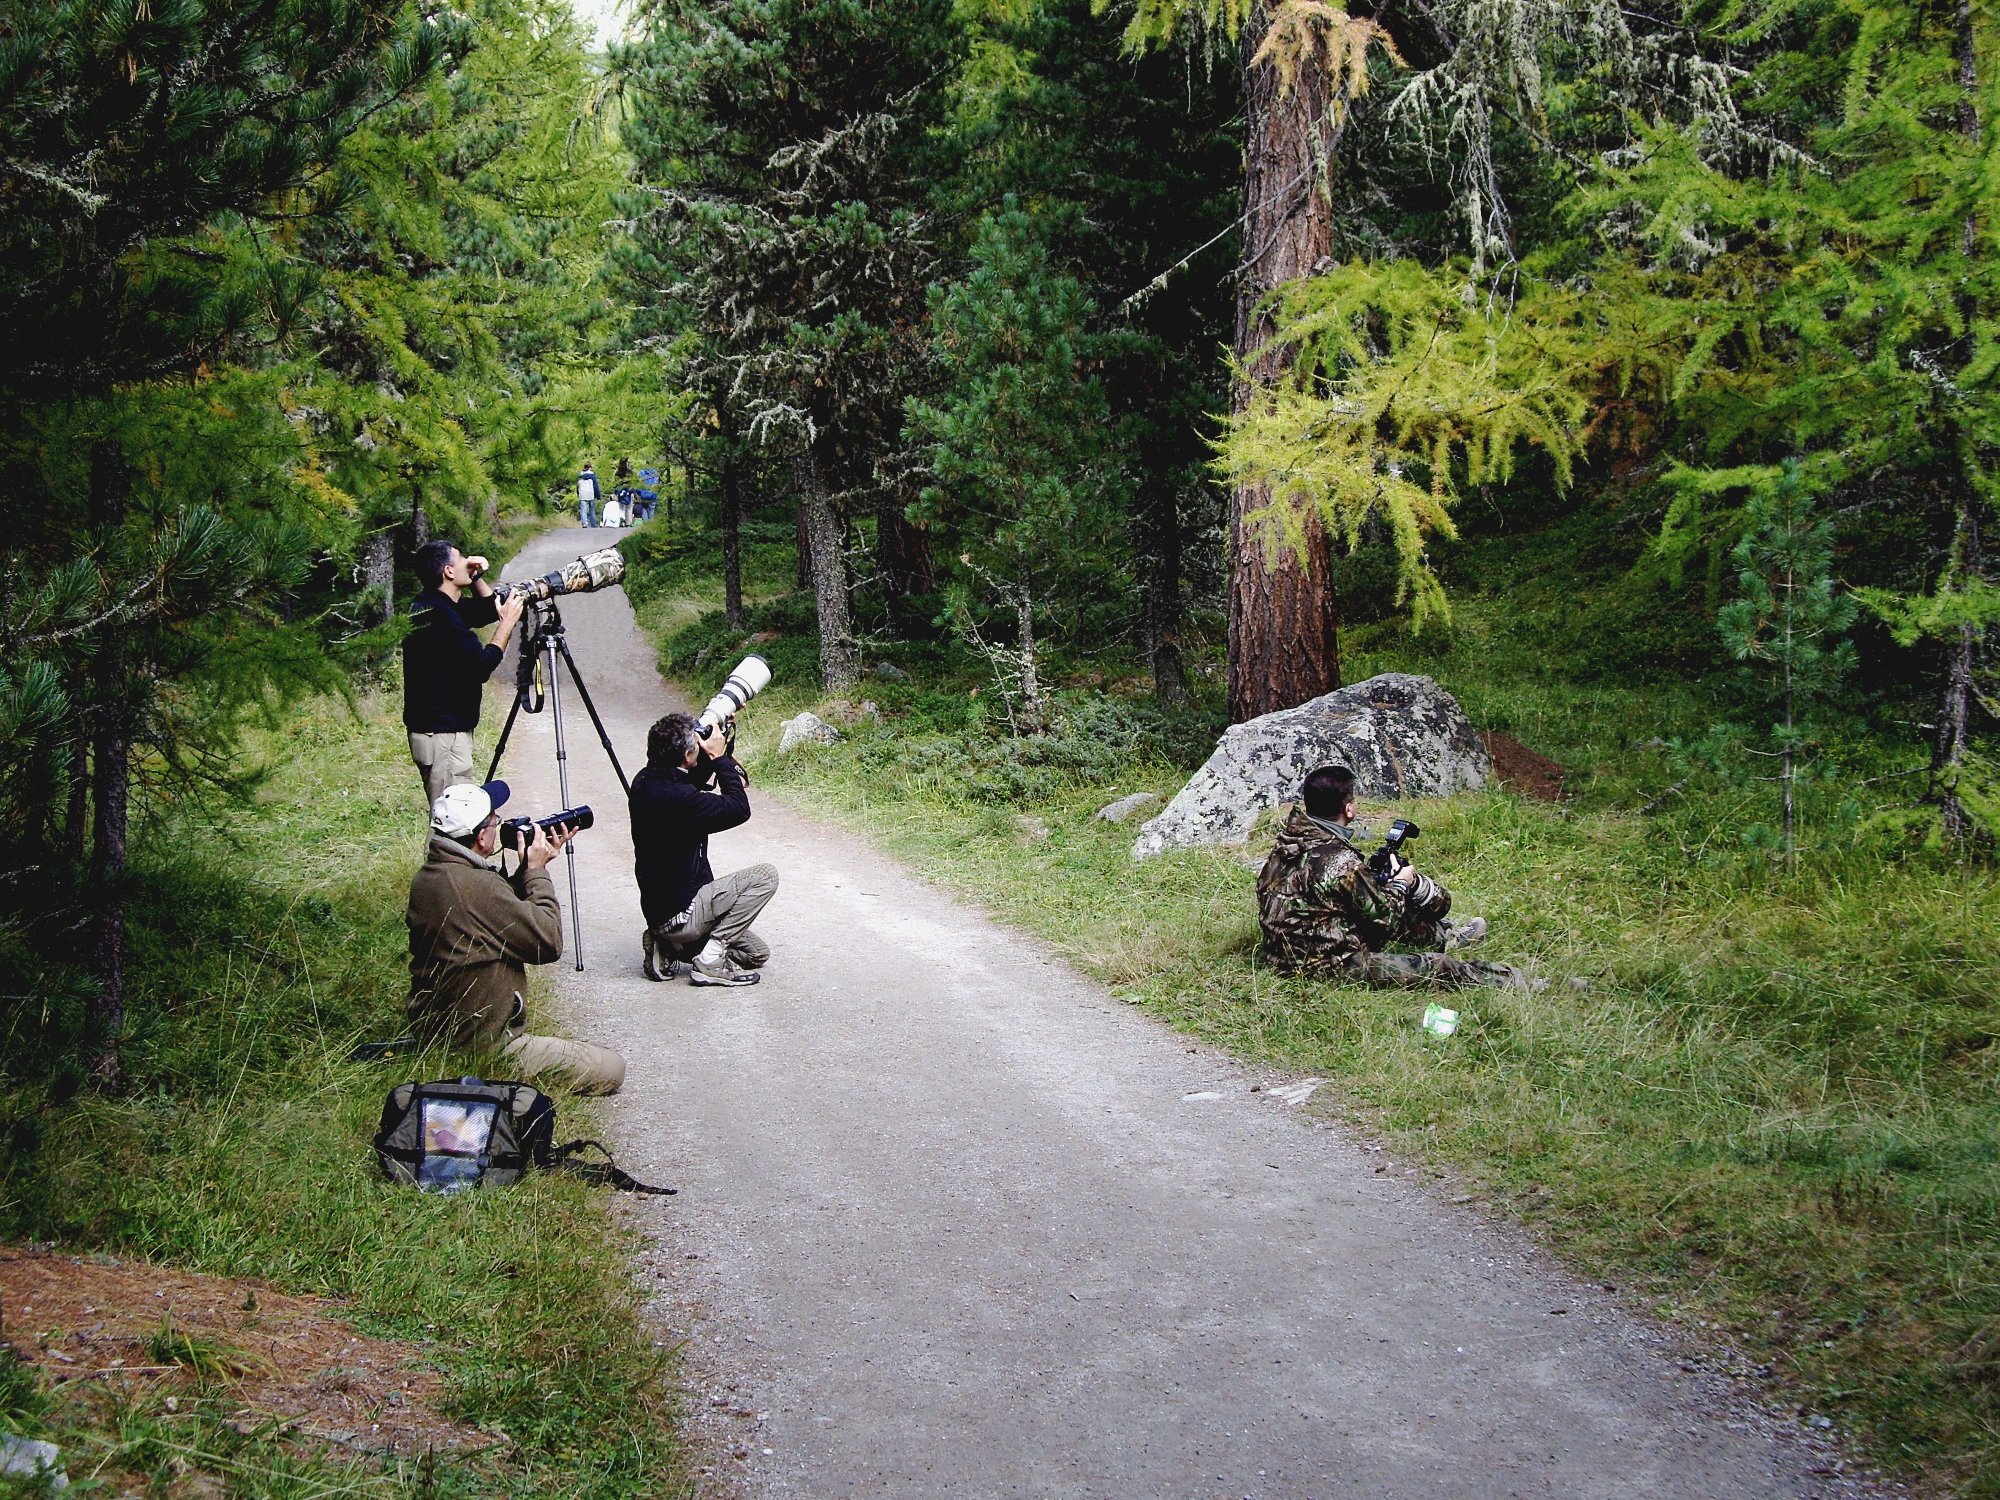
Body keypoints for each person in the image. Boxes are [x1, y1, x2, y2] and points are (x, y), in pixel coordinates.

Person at [407, 781, 625, 1093]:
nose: (499, 826)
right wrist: (537, 872)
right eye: (495, 821)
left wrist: (525, 868)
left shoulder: (435, 875)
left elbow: (493, 911)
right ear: (482, 837)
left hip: (439, 1031)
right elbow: (548, 942)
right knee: (612, 1068)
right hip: (484, 1046)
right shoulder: (474, 885)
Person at [1257, 763, 1532, 988]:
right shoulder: (1341, 862)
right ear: (1348, 809)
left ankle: (1447, 936)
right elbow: (1385, 921)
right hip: (1327, 967)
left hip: (1279, 956)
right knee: (1438, 966)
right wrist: (1402, 883)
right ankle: (1530, 983)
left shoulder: (1286, 846)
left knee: (1374, 901)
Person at [629, 711, 777, 987]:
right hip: (683, 912)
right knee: (766, 876)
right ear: (687, 755)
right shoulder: (681, 799)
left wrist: (723, 737)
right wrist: (721, 759)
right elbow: (738, 809)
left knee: (756, 953)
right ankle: (708, 961)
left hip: (660, 909)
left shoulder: (644, 782)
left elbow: (692, 778)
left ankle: (668, 944)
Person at [403, 538, 525, 807]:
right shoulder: (441, 616)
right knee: (454, 821)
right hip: (443, 737)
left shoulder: (434, 604)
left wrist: (476, 576)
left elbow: (485, 611)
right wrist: (508, 624)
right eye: (460, 559)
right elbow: (481, 666)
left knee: (453, 818)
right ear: (448, 571)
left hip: (438, 733)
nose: (466, 561)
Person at [577, 463, 601, 528]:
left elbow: (577, 486)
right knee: (592, 510)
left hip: (582, 494)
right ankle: (593, 524)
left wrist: (578, 494)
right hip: (591, 494)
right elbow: (595, 486)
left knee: (583, 510)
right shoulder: (592, 476)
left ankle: (584, 523)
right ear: (590, 467)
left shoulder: (579, 476)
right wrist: (598, 496)